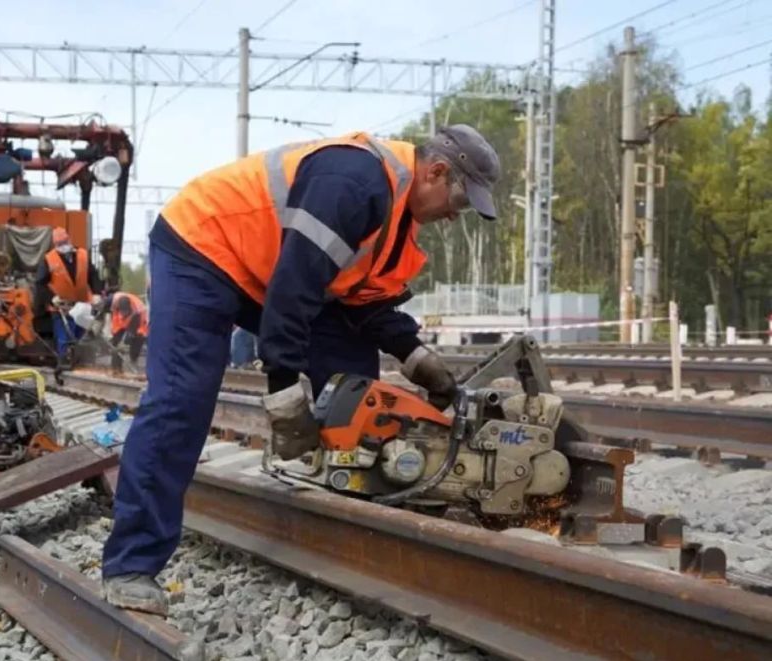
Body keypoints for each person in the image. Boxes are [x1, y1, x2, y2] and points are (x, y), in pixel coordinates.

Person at [101, 125, 501, 615]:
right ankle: (130, 565)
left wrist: (421, 363)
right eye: (458, 203)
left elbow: (363, 306)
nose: (453, 217)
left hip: (265, 269)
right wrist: (284, 389)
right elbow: (296, 286)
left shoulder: (397, 218)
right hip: (202, 246)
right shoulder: (356, 182)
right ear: (436, 172)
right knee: (182, 399)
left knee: (359, 389)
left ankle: (361, 520)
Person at [34, 228, 103, 356]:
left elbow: (93, 275)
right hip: (61, 307)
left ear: (69, 240)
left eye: (65, 242)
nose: (63, 246)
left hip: (82, 306)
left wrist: (97, 293)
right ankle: (65, 362)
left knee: (82, 337)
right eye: (59, 244)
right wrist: (51, 298)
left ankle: (81, 361)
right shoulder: (49, 259)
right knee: (64, 338)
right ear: (55, 245)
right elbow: (40, 283)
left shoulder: (82, 255)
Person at [105, 292, 149, 363]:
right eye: (122, 311)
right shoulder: (115, 305)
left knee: (138, 338)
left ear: (129, 308)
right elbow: (116, 326)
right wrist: (115, 339)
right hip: (125, 323)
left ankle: (133, 361)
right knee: (116, 344)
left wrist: (126, 341)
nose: (123, 313)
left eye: (125, 312)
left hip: (139, 326)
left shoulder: (138, 312)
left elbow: (132, 330)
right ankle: (116, 367)